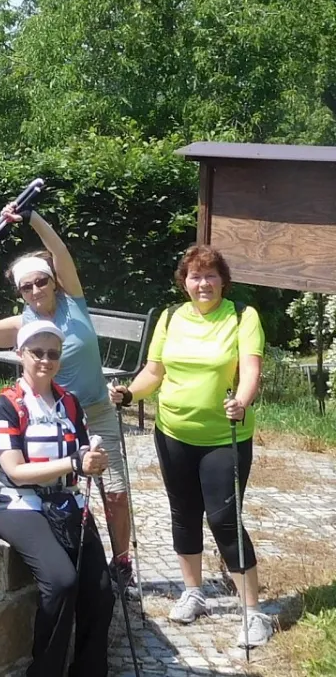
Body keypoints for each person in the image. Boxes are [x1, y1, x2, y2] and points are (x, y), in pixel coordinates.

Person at [0, 205, 135, 585]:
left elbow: (59, 249)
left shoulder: (74, 302)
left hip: (98, 410)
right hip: (60, 416)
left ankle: (121, 564)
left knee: (115, 493)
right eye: (26, 286)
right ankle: (63, 555)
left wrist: (31, 216)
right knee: (63, 487)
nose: (36, 290)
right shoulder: (26, 323)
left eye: (41, 281)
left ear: (53, 281)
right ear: (20, 291)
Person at [110, 245, 271, 647]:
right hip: (172, 432)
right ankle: (193, 592)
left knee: (224, 519)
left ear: (223, 281)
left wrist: (242, 401)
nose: (203, 284)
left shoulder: (242, 316)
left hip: (224, 436)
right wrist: (129, 394)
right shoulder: (170, 318)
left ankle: (254, 613)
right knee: (183, 513)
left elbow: (251, 371)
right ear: (184, 282)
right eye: (195, 276)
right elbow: (154, 372)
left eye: (210, 275)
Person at [0, 321, 113, 677]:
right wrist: (73, 463)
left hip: (65, 499)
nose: (45, 360)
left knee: (101, 589)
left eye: (53, 354)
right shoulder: (7, 405)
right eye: (37, 352)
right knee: (61, 581)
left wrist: (94, 460)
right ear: (20, 354)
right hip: (16, 502)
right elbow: (15, 471)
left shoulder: (69, 402)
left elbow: (82, 452)